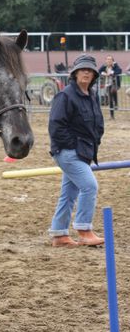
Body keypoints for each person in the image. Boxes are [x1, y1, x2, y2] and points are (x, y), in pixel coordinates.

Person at [48, 54, 105, 248]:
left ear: (95, 75)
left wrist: (95, 139)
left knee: (69, 193)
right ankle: (84, 229)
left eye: (90, 70)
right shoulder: (65, 96)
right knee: (90, 186)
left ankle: (59, 234)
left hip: (84, 152)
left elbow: (98, 123)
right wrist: (72, 146)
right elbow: (56, 126)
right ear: (75, 73)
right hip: (68, 152)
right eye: (83, 69)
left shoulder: (92, 95)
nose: (86, 72)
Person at [98, 54, 122, 119]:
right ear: (105, 60)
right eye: (107, 59)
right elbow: (99, 71)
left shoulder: (115, 65)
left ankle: (116, 103)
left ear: (112, 61)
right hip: (108, 84)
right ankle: (112, 116)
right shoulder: (104, 66)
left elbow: (119, 71)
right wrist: (105, 74)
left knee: (113, 90)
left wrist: (111, 73)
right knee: (110, 100)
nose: (109, 60)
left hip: (115, 83)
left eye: (110, 59)